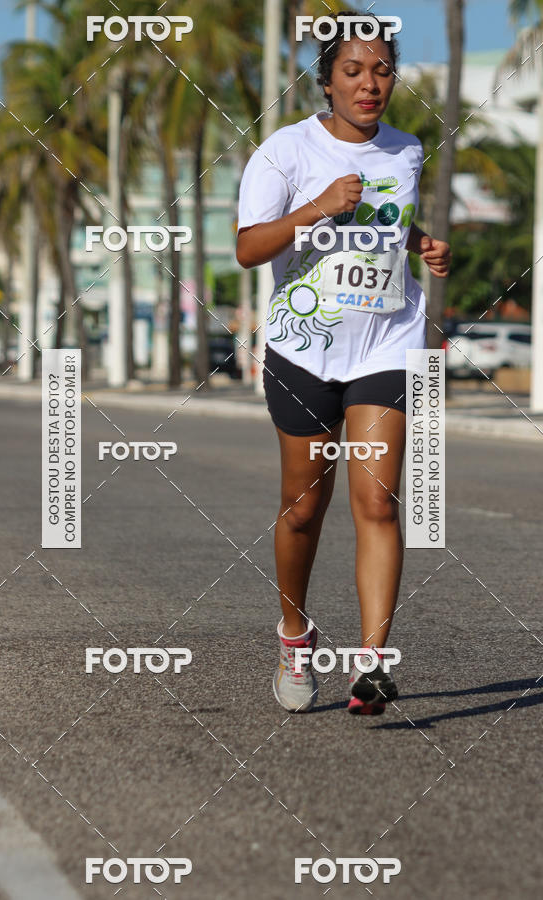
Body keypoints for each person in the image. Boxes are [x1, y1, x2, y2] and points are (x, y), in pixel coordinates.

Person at [236, 11, 451, 715]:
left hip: (387, 344)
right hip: (304, 349)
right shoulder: (285, 153)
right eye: (353, 71)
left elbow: (386, 218)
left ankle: (373, 664)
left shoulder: (407, 149)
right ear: (325, 80)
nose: (370, 83)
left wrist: (419, 244)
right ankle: (295, 636)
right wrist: (317, 207)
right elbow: (248, 248)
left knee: (378, 500)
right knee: (303, 511)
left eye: (382, 69)